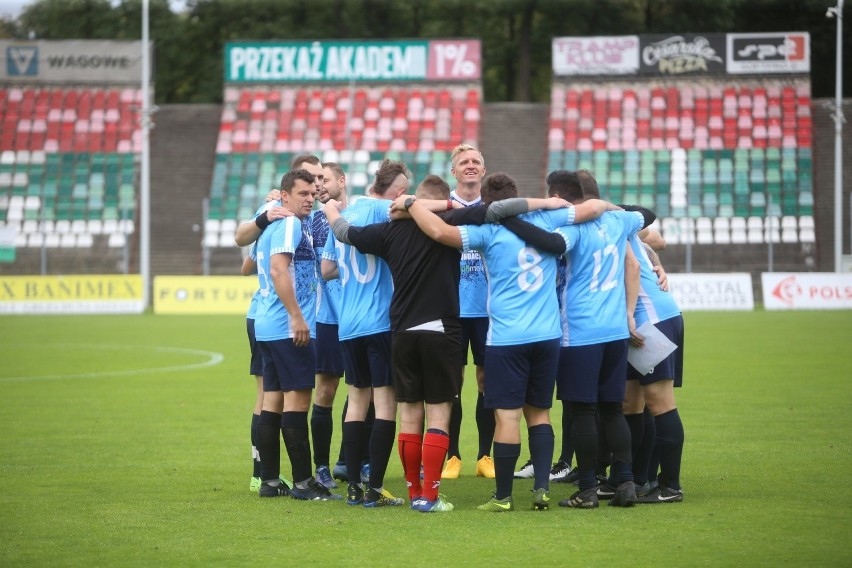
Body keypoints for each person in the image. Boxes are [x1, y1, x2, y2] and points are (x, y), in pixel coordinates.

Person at [324, 174, 575, 512]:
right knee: (438, 416)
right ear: (441, 201)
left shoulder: (387, 230)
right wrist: (546, 202)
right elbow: (497, 209)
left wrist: (329, 208)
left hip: (400, 330)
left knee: (409, 415)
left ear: (416, 197)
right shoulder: (451, 220)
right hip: (441, 329)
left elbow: (342, 233)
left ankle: (413, 493)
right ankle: (430, 496)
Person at [403, 172, 613, 512]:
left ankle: (502, 497)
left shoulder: (487, 231)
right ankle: (542, 488)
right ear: (518, 195)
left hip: (506, 338)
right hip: (547, 336)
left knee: (507, 417)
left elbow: (440, 231)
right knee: (540, 415)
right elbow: (593, 208)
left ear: (488, 203)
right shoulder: (548, 217)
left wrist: (411, 204)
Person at [544, 169, 652, 510]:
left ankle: (588, 490)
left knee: (581, 411)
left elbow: (550, 246)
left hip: (580, 331)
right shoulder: (618, 223)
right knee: (612, 410)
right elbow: (648, 215)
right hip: (615, 330)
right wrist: (610, 207)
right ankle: (625, 483)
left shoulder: (571, 228)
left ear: (561, 198)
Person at [320, 159, 410, 508]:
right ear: (398, 191)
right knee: (385, 403)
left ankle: (354, 486)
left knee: (356, 401)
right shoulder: (386, 211)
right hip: (381, 322)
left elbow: (327, 269)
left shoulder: (345, 214)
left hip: (348, 324)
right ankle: (374, 488)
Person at [253, 168, 340, 500]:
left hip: (266, 324)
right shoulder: (289, 224)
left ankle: (270, 481)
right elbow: (278, 269)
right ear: (284, 196)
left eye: (311, 192)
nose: (309, 198)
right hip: (287, 324)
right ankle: (304, 482)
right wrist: (297, 317)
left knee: (272, 401)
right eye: (301, 193)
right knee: (298, 402)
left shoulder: (270, 223)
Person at [442, 144, 495, 480]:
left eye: (476, 161)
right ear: (454, 171)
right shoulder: (441, 208)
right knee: (452, 383)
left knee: (487, 380)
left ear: (484, 170)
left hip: (489, 311)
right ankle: (452, 456)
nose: (470, 166)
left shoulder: (494, 209)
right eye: (464, 162)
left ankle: (485, 456)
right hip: (451, 309)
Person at [622, 230, 686, 504]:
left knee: (660, 403)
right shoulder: (614, 224)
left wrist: (629, 313)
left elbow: (654, 241)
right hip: (649, 319)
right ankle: (638, 478)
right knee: (630, 403)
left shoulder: (611, 220)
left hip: (650, 321)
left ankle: (671, 486)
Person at [309, 161, 347, 490]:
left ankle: (350, 460)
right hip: (329, 318)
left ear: (341, 181)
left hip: (362, 315)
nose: (319, 184)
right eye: (315, 179)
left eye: (325, 179)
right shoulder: (309, 218)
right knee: (326, 390)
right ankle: (321, 466)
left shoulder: (358, 214)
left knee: (367, 391)